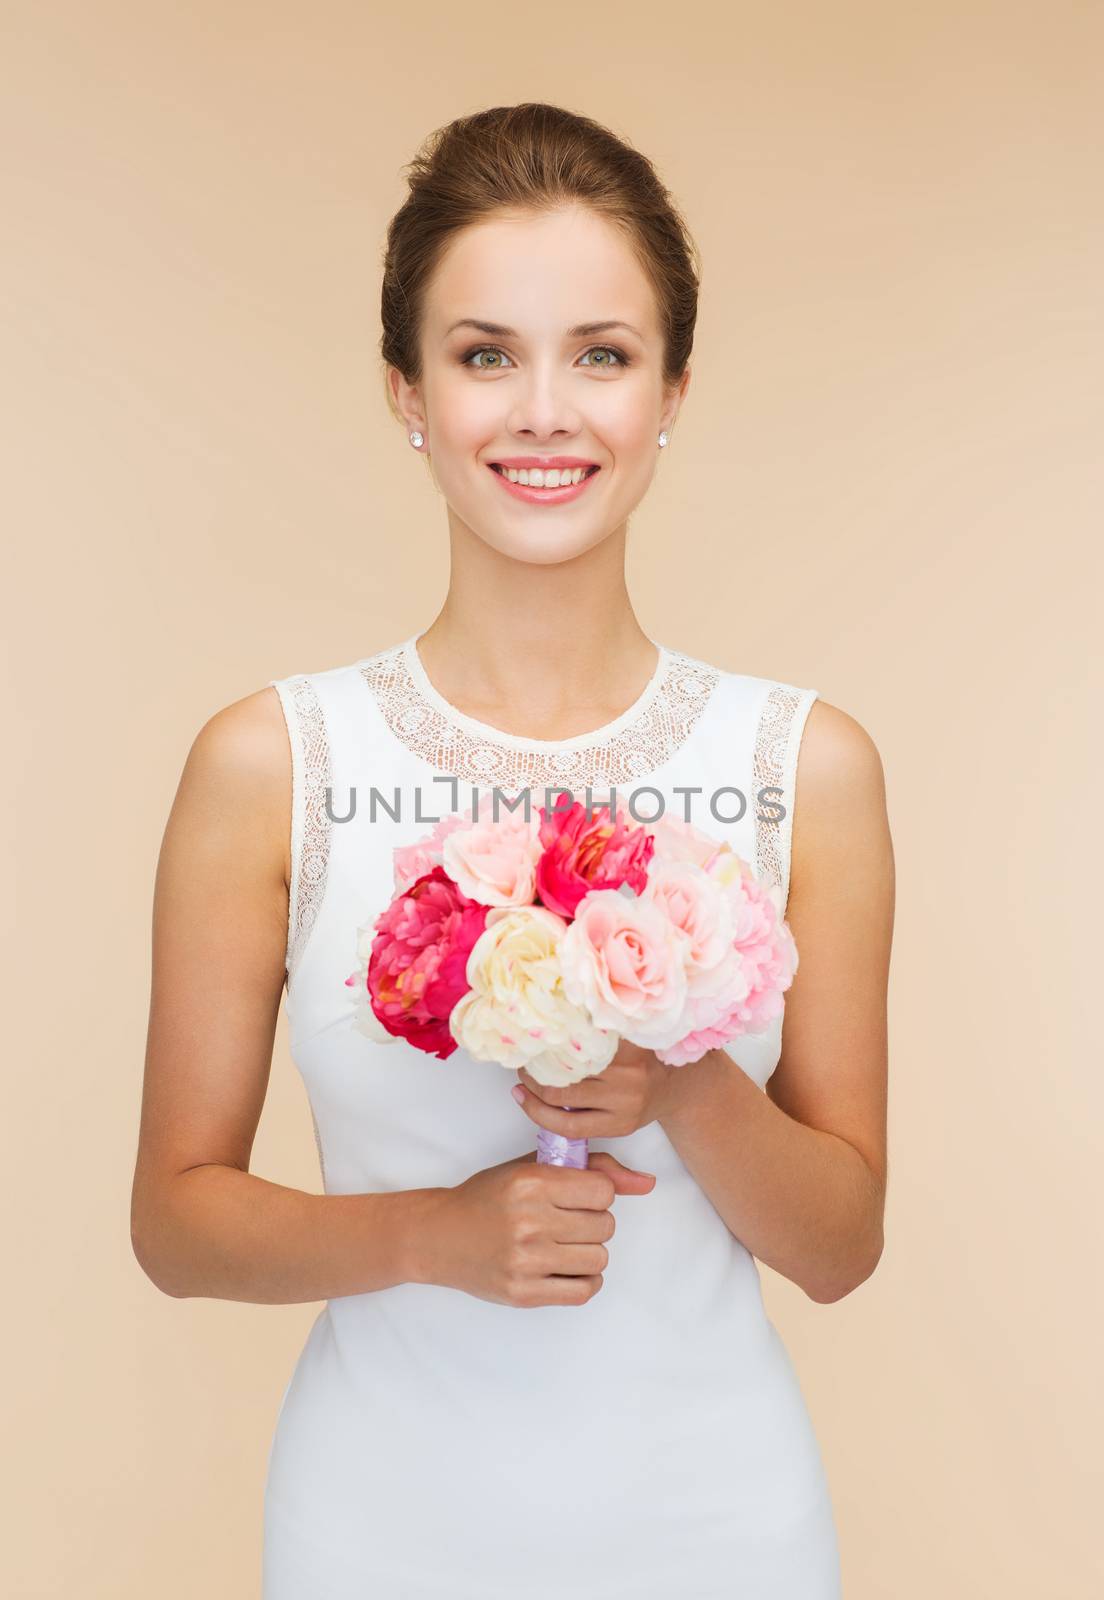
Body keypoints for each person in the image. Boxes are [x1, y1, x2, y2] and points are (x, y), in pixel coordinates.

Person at [131, 101, 893, 1599]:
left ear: (672, 389)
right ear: (408, 393)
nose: (545, 412)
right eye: (486, 355)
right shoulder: (273, 765)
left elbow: (841, 1242)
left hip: (720, 1529)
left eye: (600, 355)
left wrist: (677, 1075)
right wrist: (435, 1236)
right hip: (381, 1529)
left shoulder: (804, 767)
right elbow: (174, 1219)